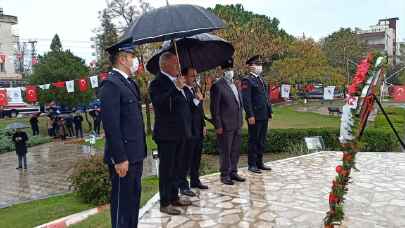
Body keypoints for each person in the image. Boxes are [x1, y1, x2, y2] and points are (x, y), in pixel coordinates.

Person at [100, 40, 147, 228]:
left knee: (133, 201)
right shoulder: (111, 84)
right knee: (122, 205)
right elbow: (111, 126)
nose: (135, 61)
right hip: (124, 158)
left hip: (135, 155)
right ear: (122, 59)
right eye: (132, 57)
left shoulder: (129, 84)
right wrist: (119, 158)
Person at [149, 52, 192, 215]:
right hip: (167, 134)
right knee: (167, 170)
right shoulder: (157, 83)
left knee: (177, 168)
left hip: (180, 133)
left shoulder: (177, 80)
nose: (179, 67)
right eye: (175, 64)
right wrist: (175, 89)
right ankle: (165, 202)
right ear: (165, 65)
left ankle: (174, 197)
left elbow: (182, 105)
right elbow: (160, 104)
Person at [210, 58, 245, 185]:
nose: (229, 71)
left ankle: (233, 172)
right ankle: (224, 175)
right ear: (222, 70)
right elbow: (215, 108)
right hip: (225, 125)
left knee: (235, 150)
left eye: (231, 69)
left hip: (237, 123)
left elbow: (239, 103)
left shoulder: (235, 84)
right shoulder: (217, 86)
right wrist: (218, 125)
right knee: (226, 151)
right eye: (227, 69)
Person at [241, 55, 273, 174]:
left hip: (263, 114)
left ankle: (260, 162)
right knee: (253, 140)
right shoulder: (247, 80)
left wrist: (269, 111)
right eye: (257, 64)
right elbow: (246, 99)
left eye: (260, 64)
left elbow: (266, 98)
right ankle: (252, 164)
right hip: (255, 115)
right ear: (251, 66)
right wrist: (250, 115)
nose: (260, 66)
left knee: (261, 140)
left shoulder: (261, 80)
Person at [179, 67, 208, 192]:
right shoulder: (182, 91)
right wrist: (197, 100)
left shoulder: (196, 89)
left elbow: (199, 111)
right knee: (186, 158)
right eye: (192, 76)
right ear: (184, 77)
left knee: (197, 157)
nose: (195, 78)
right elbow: (187, 110)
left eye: (196, 76)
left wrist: (204, 124)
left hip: (198, 128)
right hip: (189, 131)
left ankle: (195, 180)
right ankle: (183, 185)